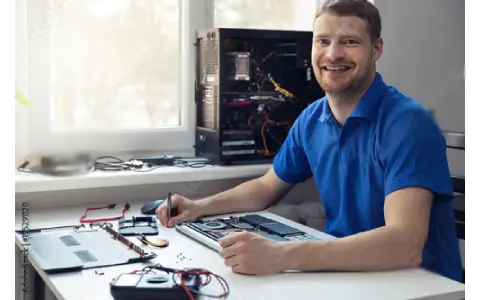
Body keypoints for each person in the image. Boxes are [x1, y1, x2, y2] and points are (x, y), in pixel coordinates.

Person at [156, 0, 463, 282]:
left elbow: (403, 245)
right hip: (348, 272)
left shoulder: (408, 123)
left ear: (376, 49)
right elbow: (265, 188)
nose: (333, 54)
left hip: (418, 284)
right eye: (323, 41)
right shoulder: (313, 118)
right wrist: (198, 207)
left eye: (350, 42)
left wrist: (281, 255)